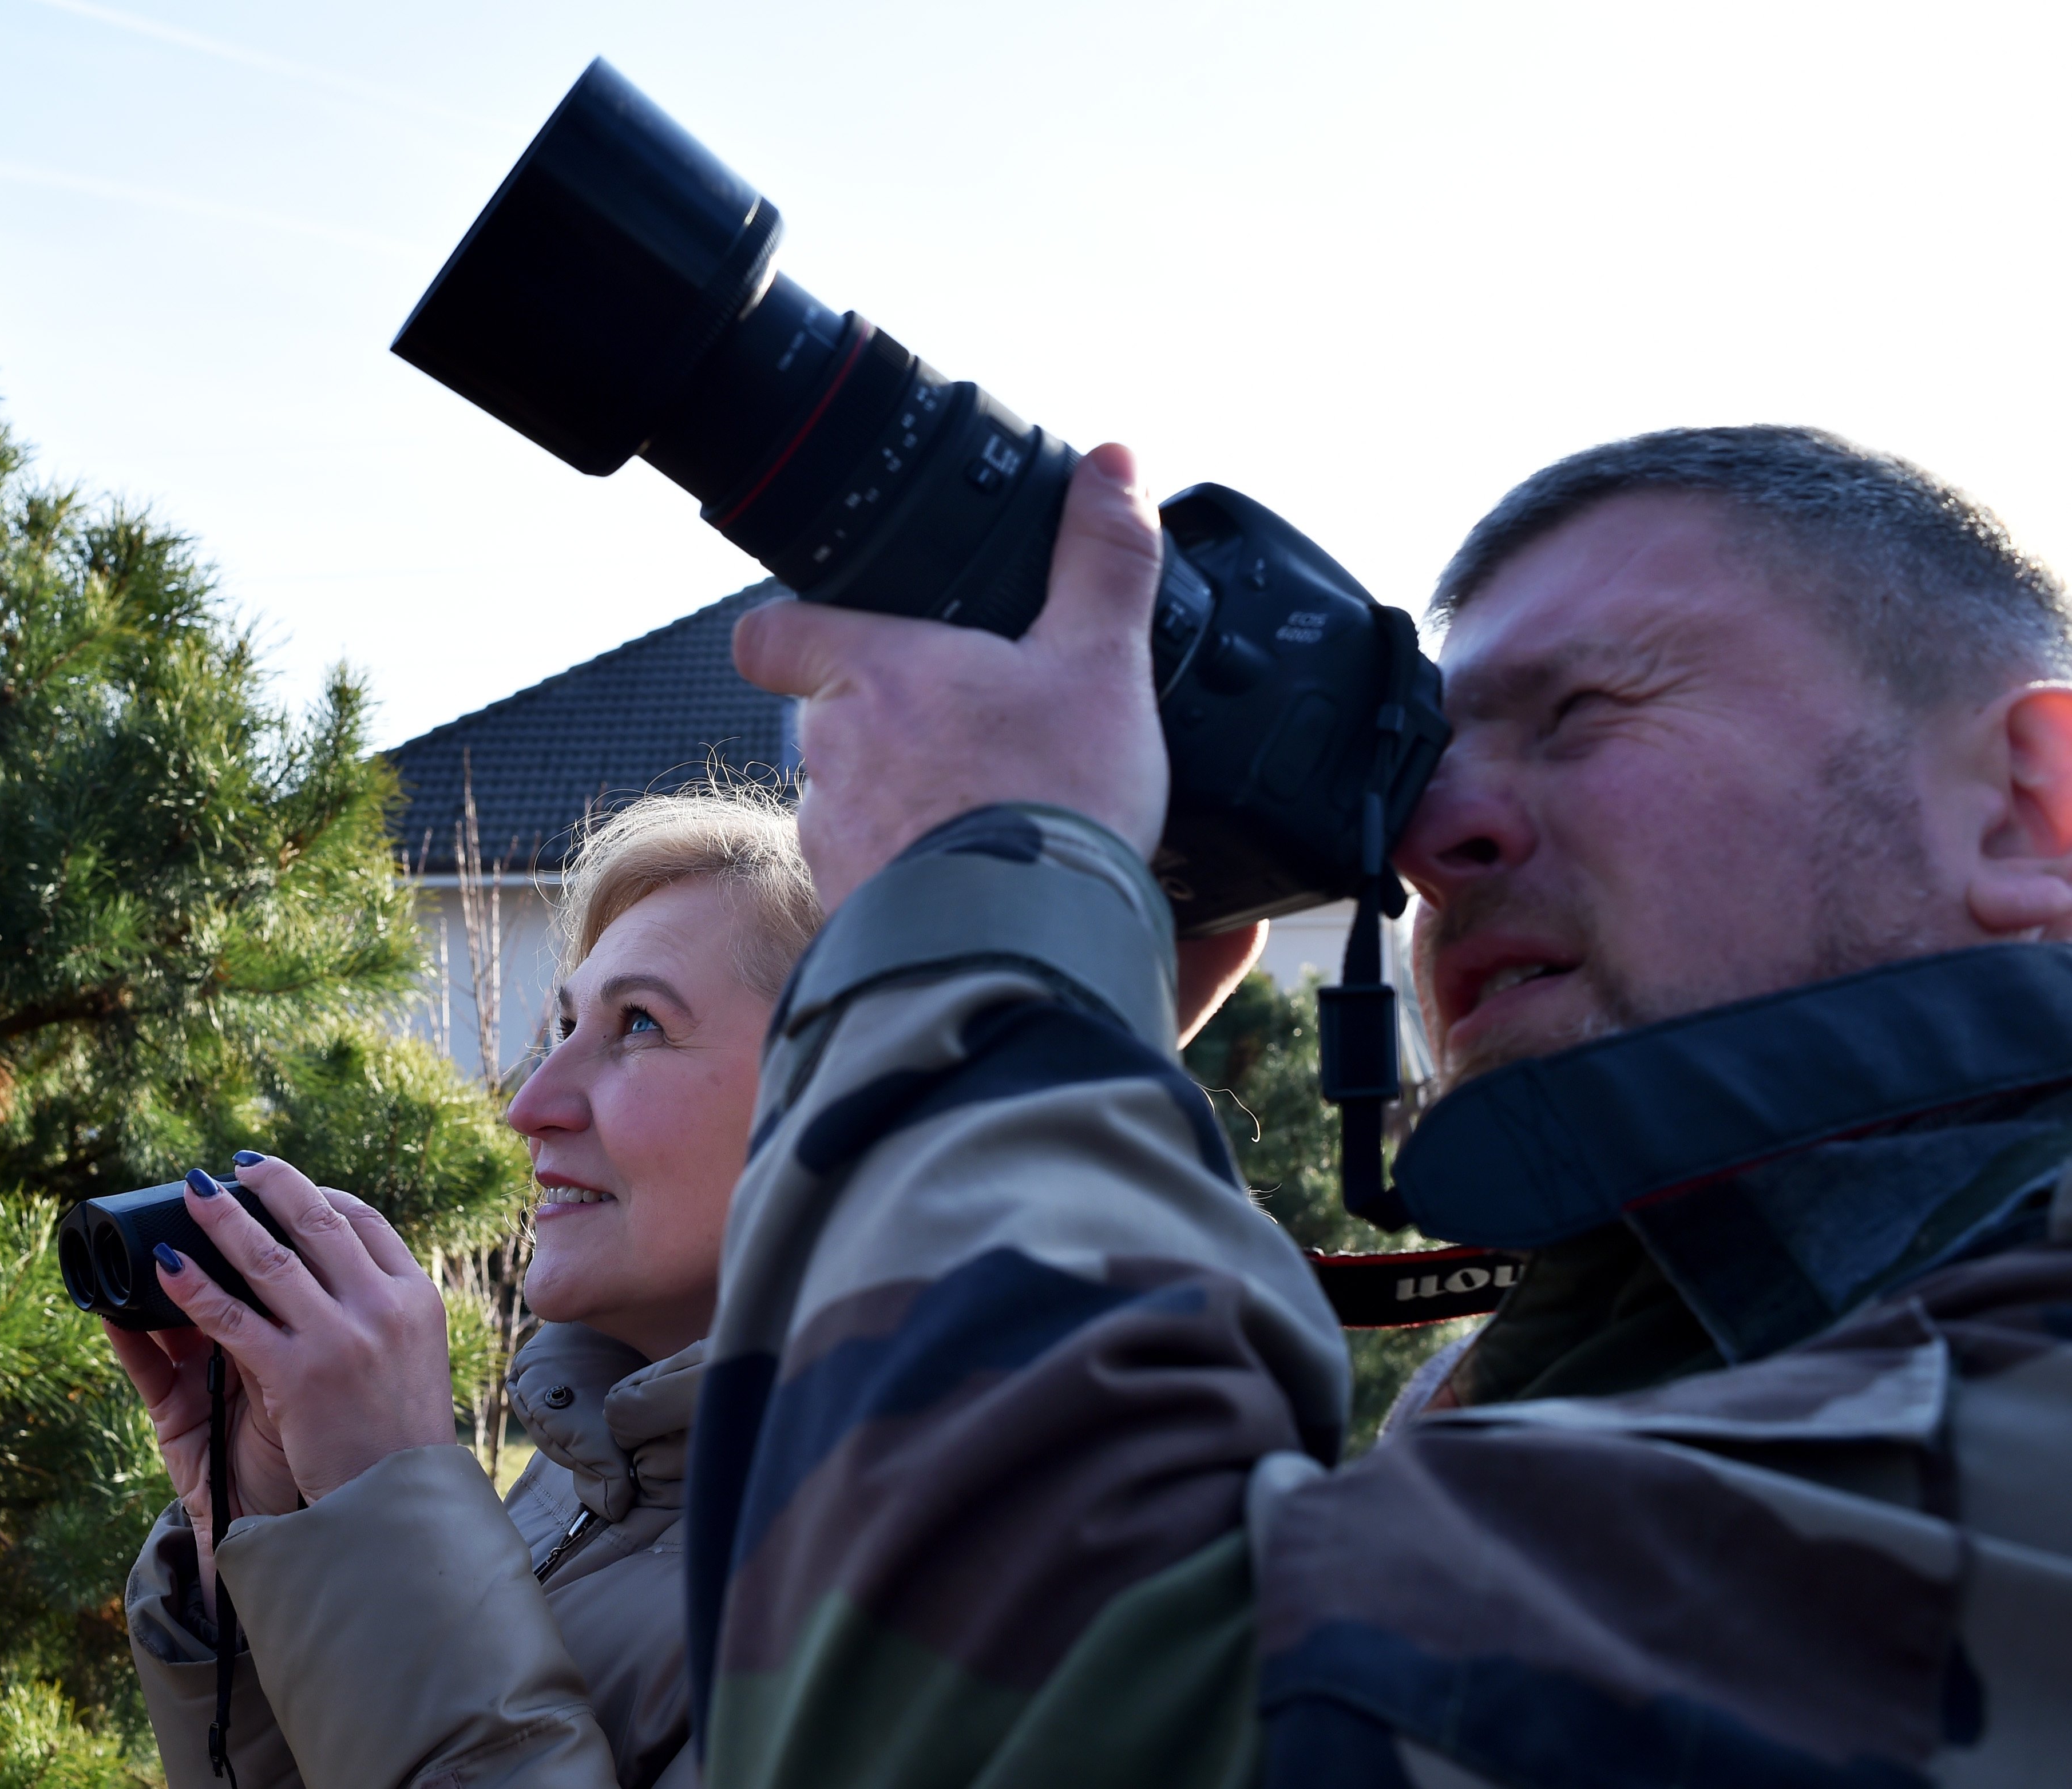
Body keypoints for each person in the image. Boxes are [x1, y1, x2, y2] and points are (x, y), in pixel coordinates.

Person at [684, 425, 2072, 1786]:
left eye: (1581, 712)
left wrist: (993, 913)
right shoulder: (1595, 1377)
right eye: (1421, 762)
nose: (1432, 838)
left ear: (2027, 807)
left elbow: (1028, 1726)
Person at [110, 787, 818, 1788]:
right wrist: (252, 1557)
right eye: (565, 1022)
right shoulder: (579, 1478)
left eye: (641, 1025)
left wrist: (379, 1493)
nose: (529, 1106)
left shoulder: (908, 1589)